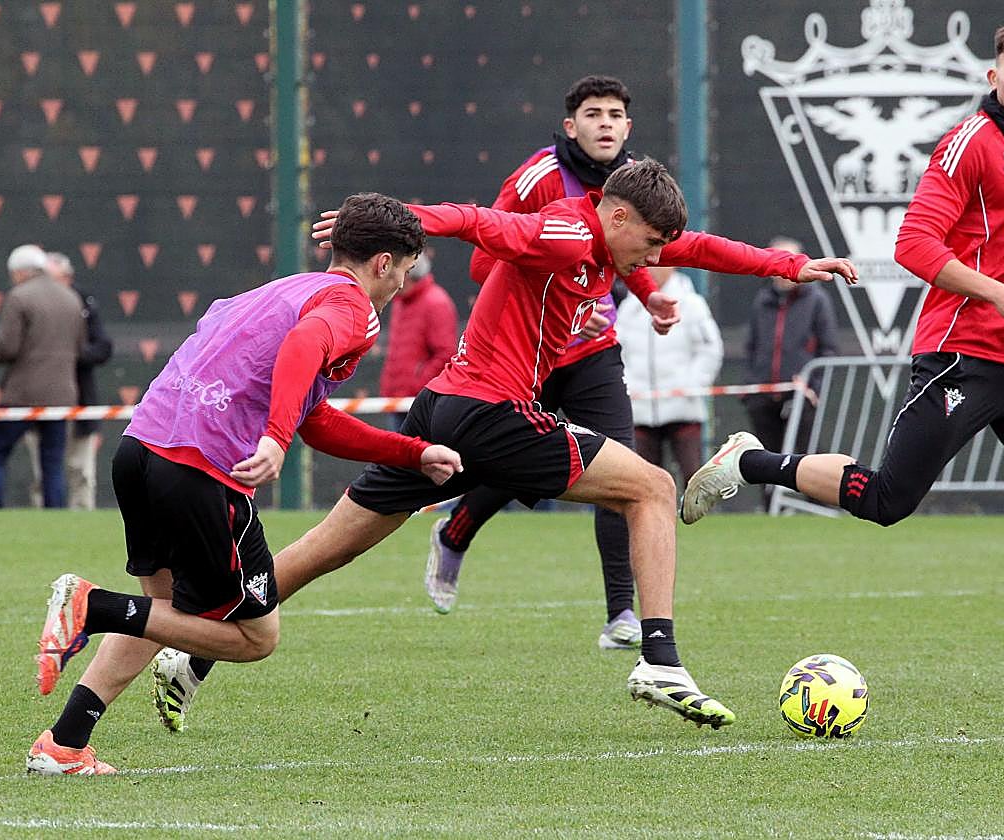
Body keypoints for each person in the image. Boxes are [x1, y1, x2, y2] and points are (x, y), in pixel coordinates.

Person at [148, 158, 859, 735]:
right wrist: (394, 226)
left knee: (334, 543)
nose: (654, 258)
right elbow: (477, 221)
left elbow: (700, 248)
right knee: (652, 488)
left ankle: (194, 654)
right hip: (493, 413)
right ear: (615, 217)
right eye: (646, 241)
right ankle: (659, 658)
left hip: (448, 408)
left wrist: (789, 266)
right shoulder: (564, 234)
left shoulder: (612, 246)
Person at [681, 17, 1004, 695]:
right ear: (992, 76)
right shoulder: (968, 143)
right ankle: (750, 461)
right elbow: (913, 246)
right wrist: (997, 294)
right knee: (887, 500)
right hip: (959, 352)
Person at [25, 193, 464, 775]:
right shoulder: (349, 306)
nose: (400, 287)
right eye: (405, 272)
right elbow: (306, 352)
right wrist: (274, 438)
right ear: (383, 263)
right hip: (202, 470)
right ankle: (93, 605)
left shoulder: (275, 291)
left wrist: (411, 452)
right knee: (254, 638)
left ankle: (63, 745)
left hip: (139, 450)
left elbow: (317, 418)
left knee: (161, 610)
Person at [424, 75, 675, 652]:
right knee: (505, 467)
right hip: (528, 354)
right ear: (571, 126)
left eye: (616, 114)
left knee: (625, 471)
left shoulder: (634, 183)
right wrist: (557, 302)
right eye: (593, 113)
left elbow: (626, 249)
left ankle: (621, 614)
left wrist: (646, 293)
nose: (606, 123)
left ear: (628, 127)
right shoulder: (537, 177)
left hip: (592, 354)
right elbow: (486, 261)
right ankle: (455, 533)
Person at [0, 245, 85, 508]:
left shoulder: (19, 297)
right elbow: (80, 345)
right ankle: (55, 516)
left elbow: (8, 347)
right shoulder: (70, 297)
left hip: (22, 393)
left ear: (21, 272)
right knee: (52, 461)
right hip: (62, 393)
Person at [742, 236, 838, 508]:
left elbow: (828, 350)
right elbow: (752, 346)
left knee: (806, 456)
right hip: (762, 395)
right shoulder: (762, 301)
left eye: (790, 261)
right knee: (764, 457)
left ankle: (822, 507)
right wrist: (751, 386)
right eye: (778, 261)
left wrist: (813, 388)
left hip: (801, 396)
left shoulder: (817, 300)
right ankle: (772, 510)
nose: (784, 270)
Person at [617, 265, 723, 485]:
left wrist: (691, 386)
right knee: (644, 482)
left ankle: (698, 520)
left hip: (684, 407)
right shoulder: (629, 306)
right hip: (640, 409)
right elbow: (618, 351)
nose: (652, 269)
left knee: (695, 479)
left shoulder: (692, 303)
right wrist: (628, 389)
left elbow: (710, 349)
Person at [26, 251, 114, 510]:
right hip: (40, 401)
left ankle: (81, 523)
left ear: (68, 278)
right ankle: (40, 525)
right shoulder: (29, 302)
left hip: (80, 401)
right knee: (41, 473)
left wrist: (68, 355)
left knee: (81, 472)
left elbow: (103, 348)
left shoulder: (84, 303)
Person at [378, 252, 459, 431]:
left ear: (409, 275)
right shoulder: (400, 301)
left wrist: (418, 385)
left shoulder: (436, 303)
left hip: (419, 403)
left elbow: (446, 353)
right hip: (397, 400)